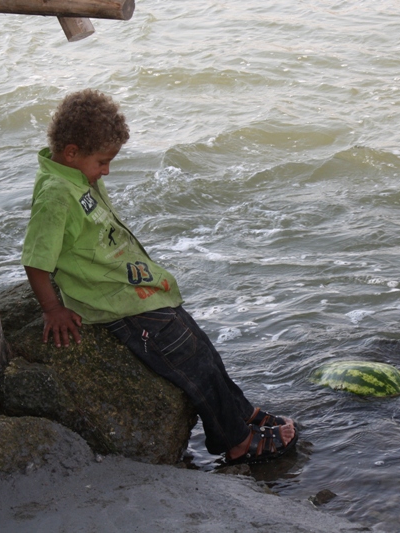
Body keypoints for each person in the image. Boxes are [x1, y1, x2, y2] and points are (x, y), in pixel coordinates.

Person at [21, 89, 297, 464]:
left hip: (133, 287)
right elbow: (36, 260)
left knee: (199, 346)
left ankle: (240, 411)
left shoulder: (76, 178)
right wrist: (52, 308)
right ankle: (237, 442)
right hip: (114, 302)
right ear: (71, 153)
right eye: (102, 162)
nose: (106, 171)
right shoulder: (55, 194)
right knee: (190, 364)